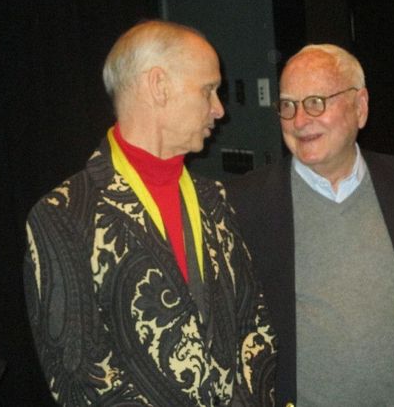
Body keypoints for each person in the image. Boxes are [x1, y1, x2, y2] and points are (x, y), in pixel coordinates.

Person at [23, 20, 276, 407]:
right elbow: (81, 381)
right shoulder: (62, 216)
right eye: (209, 89)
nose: (220, 110)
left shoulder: (216, 200)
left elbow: (253, 333)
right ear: (159, 86)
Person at [224, 44, 394, 406]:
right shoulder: (245, 203)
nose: (300, 120)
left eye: (316, 102)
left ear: (361, 106)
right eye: (288, 105)